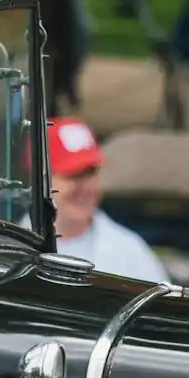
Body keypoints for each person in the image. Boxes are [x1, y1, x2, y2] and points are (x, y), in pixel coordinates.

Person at [44, 117, 169, 283]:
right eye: (74, 176)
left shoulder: (130, 252)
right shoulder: (10, 245)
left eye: (91, 173)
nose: (86, 187)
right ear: (43, 181)